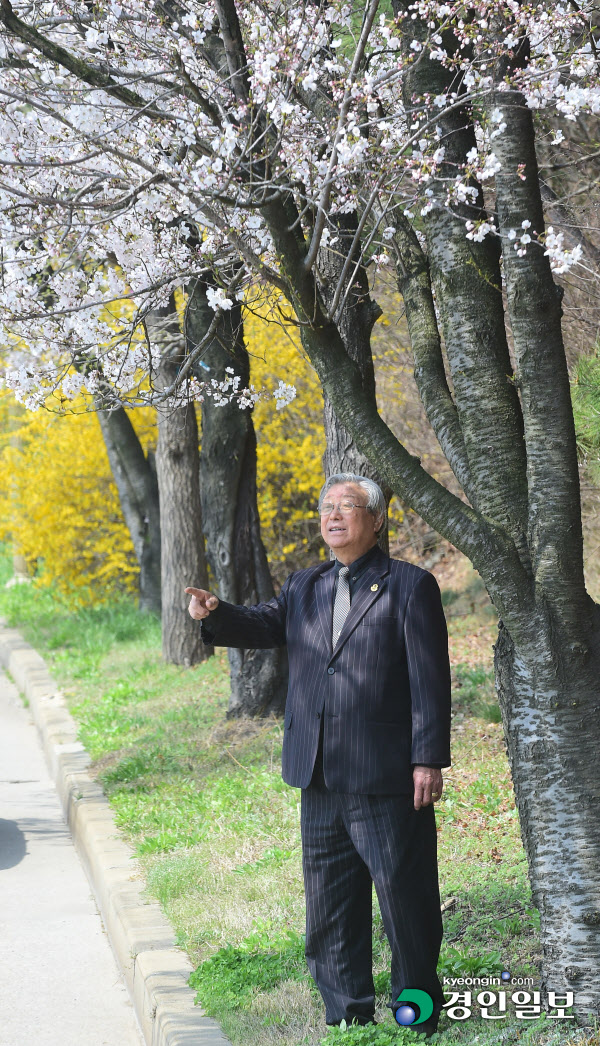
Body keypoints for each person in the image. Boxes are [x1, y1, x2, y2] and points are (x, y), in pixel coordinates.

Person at [186, 473, 451, 1035]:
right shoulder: (306, 586)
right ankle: (347, 1016)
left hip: (385, 776)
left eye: (347, 506)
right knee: (330, 905)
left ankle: (417, 1017)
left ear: (376, 520)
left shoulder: (410, 585)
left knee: (405, 902)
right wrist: (217, 613)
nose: (333, 515)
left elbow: (431, 679)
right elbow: (264, 625)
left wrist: (428, 758)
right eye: (326, 506)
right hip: (318, 773)